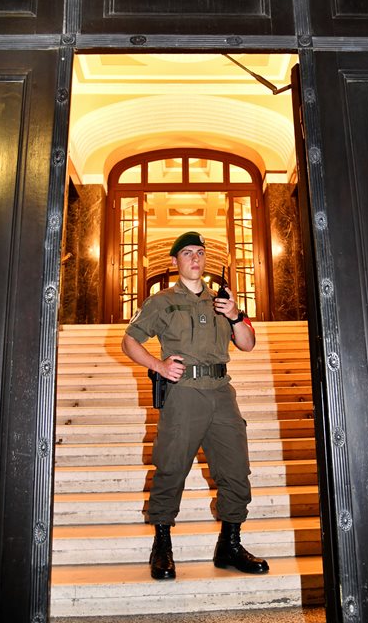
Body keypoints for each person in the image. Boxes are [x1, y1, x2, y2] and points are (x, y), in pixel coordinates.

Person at [122, 231, 269, 580]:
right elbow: (129, 342)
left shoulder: (222, 301)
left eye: (200, 253)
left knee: (236, 470)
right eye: (187, 253)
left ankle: (229, 545)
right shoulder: (161, 301)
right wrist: (158, 366)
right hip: (184, 393)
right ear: (175, 261)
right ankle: (162, 546)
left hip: (221, 392)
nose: (195, 259)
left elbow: (248, 344)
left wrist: (235, 316)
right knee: (171, 468)